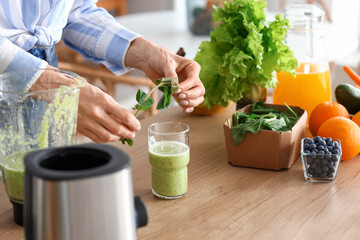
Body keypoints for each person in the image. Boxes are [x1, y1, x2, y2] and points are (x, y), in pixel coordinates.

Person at [0, 0, 205, 143]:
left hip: (44, 67)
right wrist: (52, 84)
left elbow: (74, 11)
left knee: (37, 191)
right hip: (8, 76)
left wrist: (144, 52)